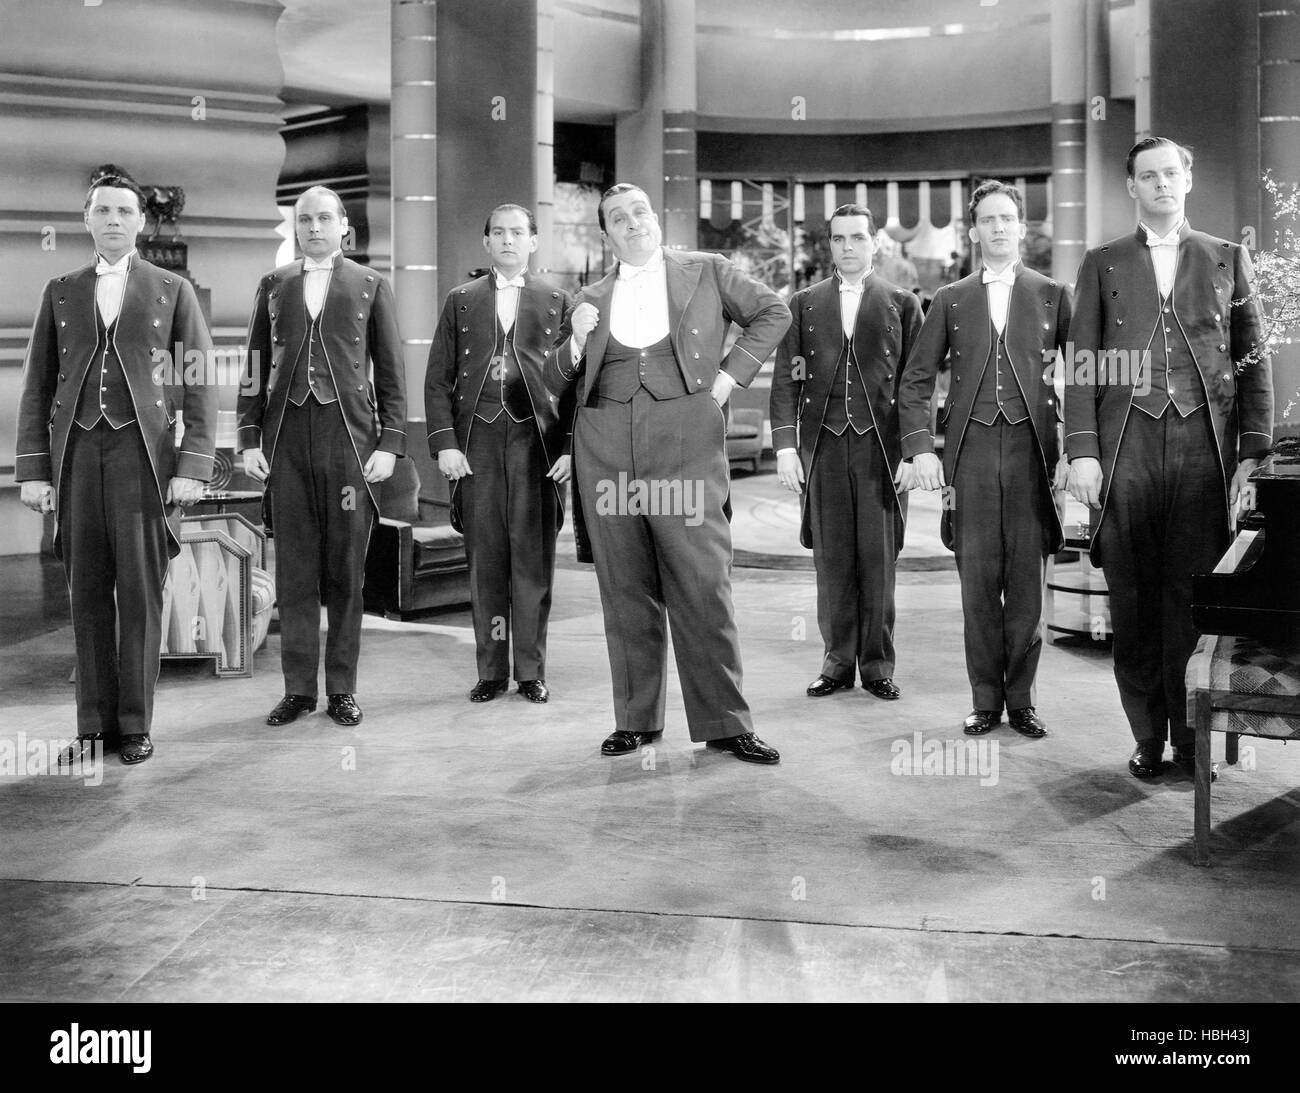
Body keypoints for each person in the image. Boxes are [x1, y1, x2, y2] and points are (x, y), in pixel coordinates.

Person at [544, 183, 790, 763]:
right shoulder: (588, 295)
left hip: (684, 441)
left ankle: (726, 722)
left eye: (640, 213)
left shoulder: (705, 270)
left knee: (702, 583)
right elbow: (551, 377)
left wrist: (731, 377)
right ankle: (636, 719)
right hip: (605, 445)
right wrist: (576, 340)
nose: (632, 224)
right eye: (618, 219)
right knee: (625, 586)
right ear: (606, 233)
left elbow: (772, 312)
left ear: (655, 219)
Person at [1065, 137, 1273, 779]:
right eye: (1147, 176)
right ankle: (1146, 737)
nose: (1160, 184)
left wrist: (1252, 454)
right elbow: (1082, 368)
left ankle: (1191, 741)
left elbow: (1253, 360)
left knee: (1191, 598)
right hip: (1124, 446)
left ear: (1188, 179)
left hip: (1200, 449)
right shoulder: (1101, 264)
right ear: (1131, 186)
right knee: (1132, 599)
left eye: (1170, 173)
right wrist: (1082, 452)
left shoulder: (1226, 258)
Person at [15, 172, 217, 766]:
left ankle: (134, 724)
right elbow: (37, 386)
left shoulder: (171, 289)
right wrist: (34, 470)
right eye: (101, 210)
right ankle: (92, 726)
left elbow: (200, 382)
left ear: (140, 221)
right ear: (86, 218)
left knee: (140, 594)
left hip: (144, 461)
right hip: (76, 457)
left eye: (124, 211)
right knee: (87, 596)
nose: (113, 219)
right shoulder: (60, 290)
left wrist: (194, 465)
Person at [897, 180, 1073, 738]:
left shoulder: (1053, 294)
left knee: (1026, 585)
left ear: (1022, 227)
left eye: (1007, 218)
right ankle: (985, 700)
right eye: (988, 220)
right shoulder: (950, 299)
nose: (998, 228)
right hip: (969, 456)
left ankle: (1021, 700)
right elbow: (916, 382)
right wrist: (920, 449)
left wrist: (1079, 449)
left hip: (1031, 453)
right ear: (973, 231)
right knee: (977, 584)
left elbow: (1088, 378)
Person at [238, 186, 406, 728]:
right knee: (295, 571)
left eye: (323, 218)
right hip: (285, 438)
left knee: (345, 572)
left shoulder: (370, 285)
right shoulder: (273, 285)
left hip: (349, 442)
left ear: (343, 226)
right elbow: (253, 367)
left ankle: (341, 689)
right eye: (304, 219)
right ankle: (297, 690)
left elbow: (392, 370)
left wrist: (390, 443)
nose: (313, 227)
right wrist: (247, 439)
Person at [770, 204, 923, 703]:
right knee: (832, 559)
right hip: (824, 447)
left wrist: (913, 450)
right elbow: (786, 381)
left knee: (878, 560)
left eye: (858, 237)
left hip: (882, 449)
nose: (848, 246)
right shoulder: (804, 303)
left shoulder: (904, 303)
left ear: (875, 242)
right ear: (829, 245)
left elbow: (917, 386)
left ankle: (877, 664)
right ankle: (837, 663)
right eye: (839, 239)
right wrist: (786, 447)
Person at [425, 204, 572, 704]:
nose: (508, 240)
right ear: (486, 242)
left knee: (533, 561)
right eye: (499, 233)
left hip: (536, 444)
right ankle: (491, 670)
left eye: (518, 232)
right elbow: (438, 378)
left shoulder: (557, 299)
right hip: (476, 446)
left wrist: (570, 449)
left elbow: (573, 385)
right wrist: (444, 443)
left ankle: (530, 670)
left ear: (533, 241)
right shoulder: (461, 300)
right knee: (485, 559)